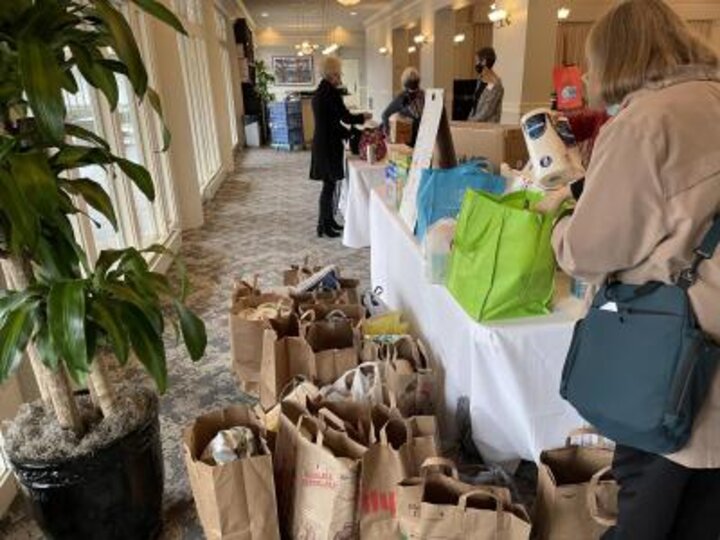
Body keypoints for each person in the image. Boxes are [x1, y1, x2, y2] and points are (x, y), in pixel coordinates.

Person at [537, 1, 720, 538]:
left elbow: (592, 250)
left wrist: (559, 230)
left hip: (672, 357)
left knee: (651, 507)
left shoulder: (645, 122)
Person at [310, 56, 371, 238]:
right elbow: (343, 118)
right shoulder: (330, 93)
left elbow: (335, 120)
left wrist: (351, 129)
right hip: (328, 145)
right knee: (329, 187)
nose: (340, 78)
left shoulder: (321, 90)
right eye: (338, 74)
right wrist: (362, 118)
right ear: (332, 74)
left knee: (328, 186)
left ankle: (327, 222)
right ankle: (324, 225)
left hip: (323, 143)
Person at [382, 67, 425, 147]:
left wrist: (387, 133)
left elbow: (385, 114)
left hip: (409, 138)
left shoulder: (403, 97)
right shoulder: (424, 95)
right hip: (423, 137)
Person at [467, 47, 504, 123]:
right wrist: (469, 120)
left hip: (487, 127)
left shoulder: (496, 85)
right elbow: (475, 105)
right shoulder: (480, 79)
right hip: (474, 125)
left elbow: (487, 111)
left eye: (477, 61)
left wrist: (471, 122)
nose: (475, 64)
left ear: (484, 62)